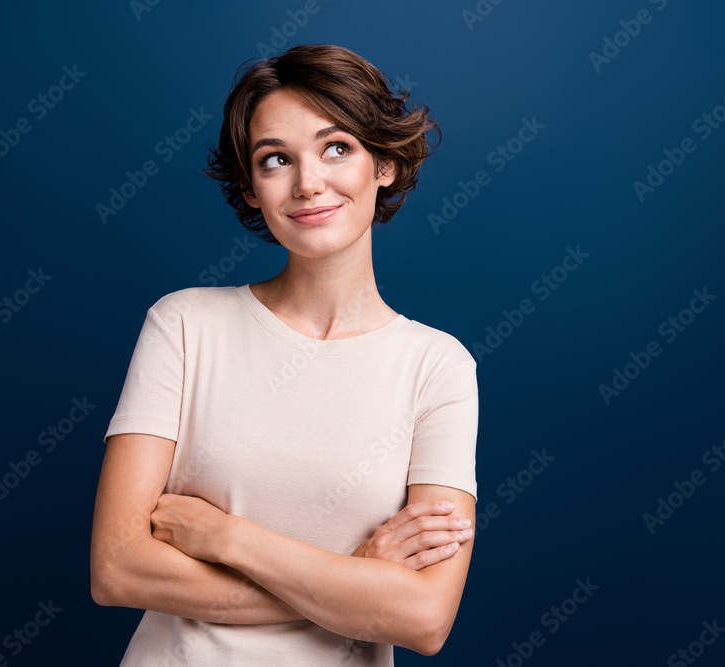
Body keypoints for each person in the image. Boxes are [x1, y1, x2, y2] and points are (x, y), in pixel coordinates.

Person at [89, 44, 480, 665]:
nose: (308, 184)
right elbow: (116, 569)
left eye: (337, 148)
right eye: (276, 160)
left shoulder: (438, 366)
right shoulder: (185, 324)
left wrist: (227, 538)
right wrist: (356, 580)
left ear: (383, 164)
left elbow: (425, 618)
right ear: (250, 187)